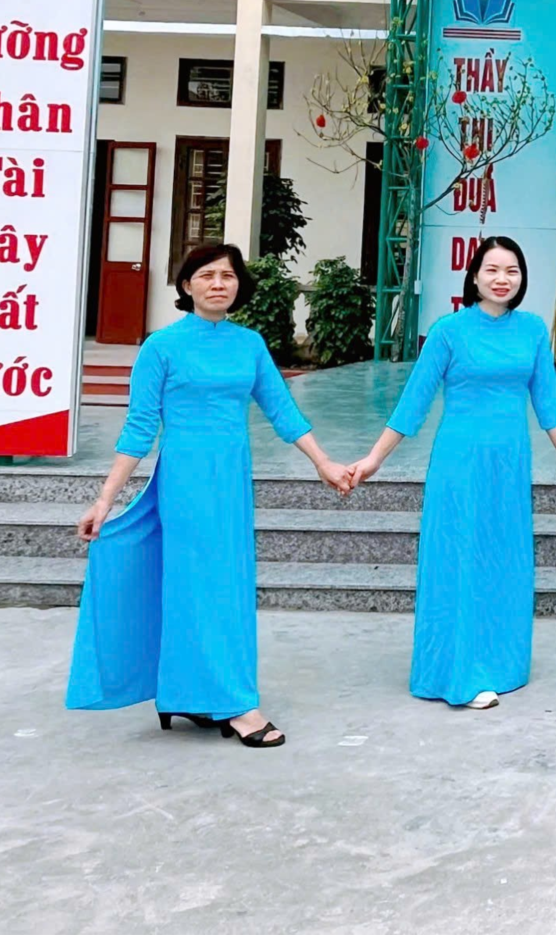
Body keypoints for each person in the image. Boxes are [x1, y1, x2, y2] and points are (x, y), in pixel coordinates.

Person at [67, 243, 353, 747]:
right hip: (186, 481)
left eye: (228, 276)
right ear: (186, 286)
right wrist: (106, 499)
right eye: (206, 275)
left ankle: (192, 693)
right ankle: (236, 704)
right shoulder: (162, 347)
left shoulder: (249, 344)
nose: (218, 283)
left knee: (228, 586)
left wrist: (323, 463)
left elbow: (282, 411)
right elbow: (139, 428)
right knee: (205, 587)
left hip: (232, 480)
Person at [348, 237, 556, 710]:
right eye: (491, 269)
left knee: (502, 558)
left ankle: (501, 663)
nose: (502, 279)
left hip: (509, 464)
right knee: (459, 558)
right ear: (474, 276)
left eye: (512, 270)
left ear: (522, 277)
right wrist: (374, 459)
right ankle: (457, 672)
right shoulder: (449, 331)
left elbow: (547, 401)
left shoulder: (533, 330)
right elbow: (413, 402)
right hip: (460, 463)